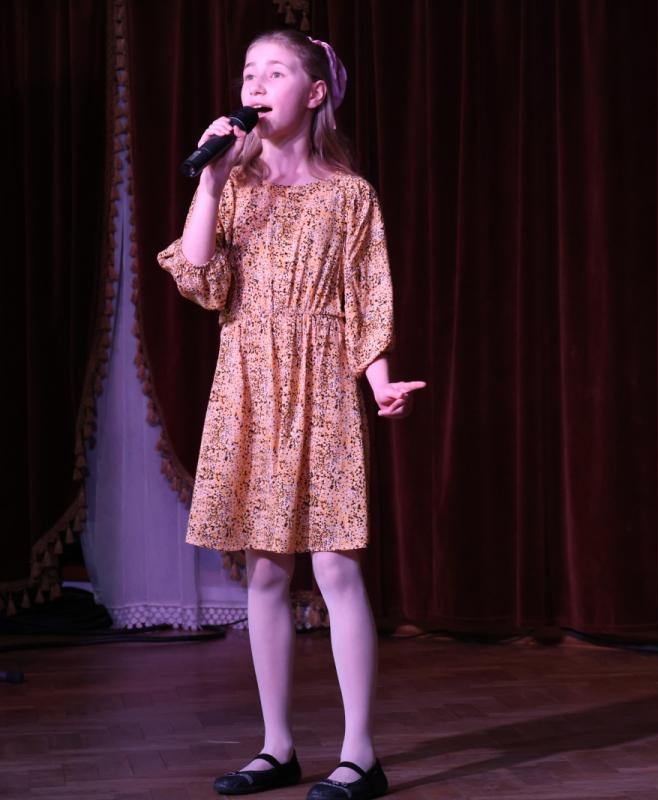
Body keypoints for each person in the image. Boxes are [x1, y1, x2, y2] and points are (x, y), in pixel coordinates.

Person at [158, 28, 423, 800]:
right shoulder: (233, 185)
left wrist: (379, 383)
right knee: (266, 568)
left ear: (313, 93)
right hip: (248, 382)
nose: (256, 84)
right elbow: (198, 276)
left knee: (335, 564)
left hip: (323, 383)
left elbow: (366, 298)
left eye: (275, 72)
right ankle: (276, 746)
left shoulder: (349, 195)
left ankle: (359, 754)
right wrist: (211, 180)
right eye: (248, 72)